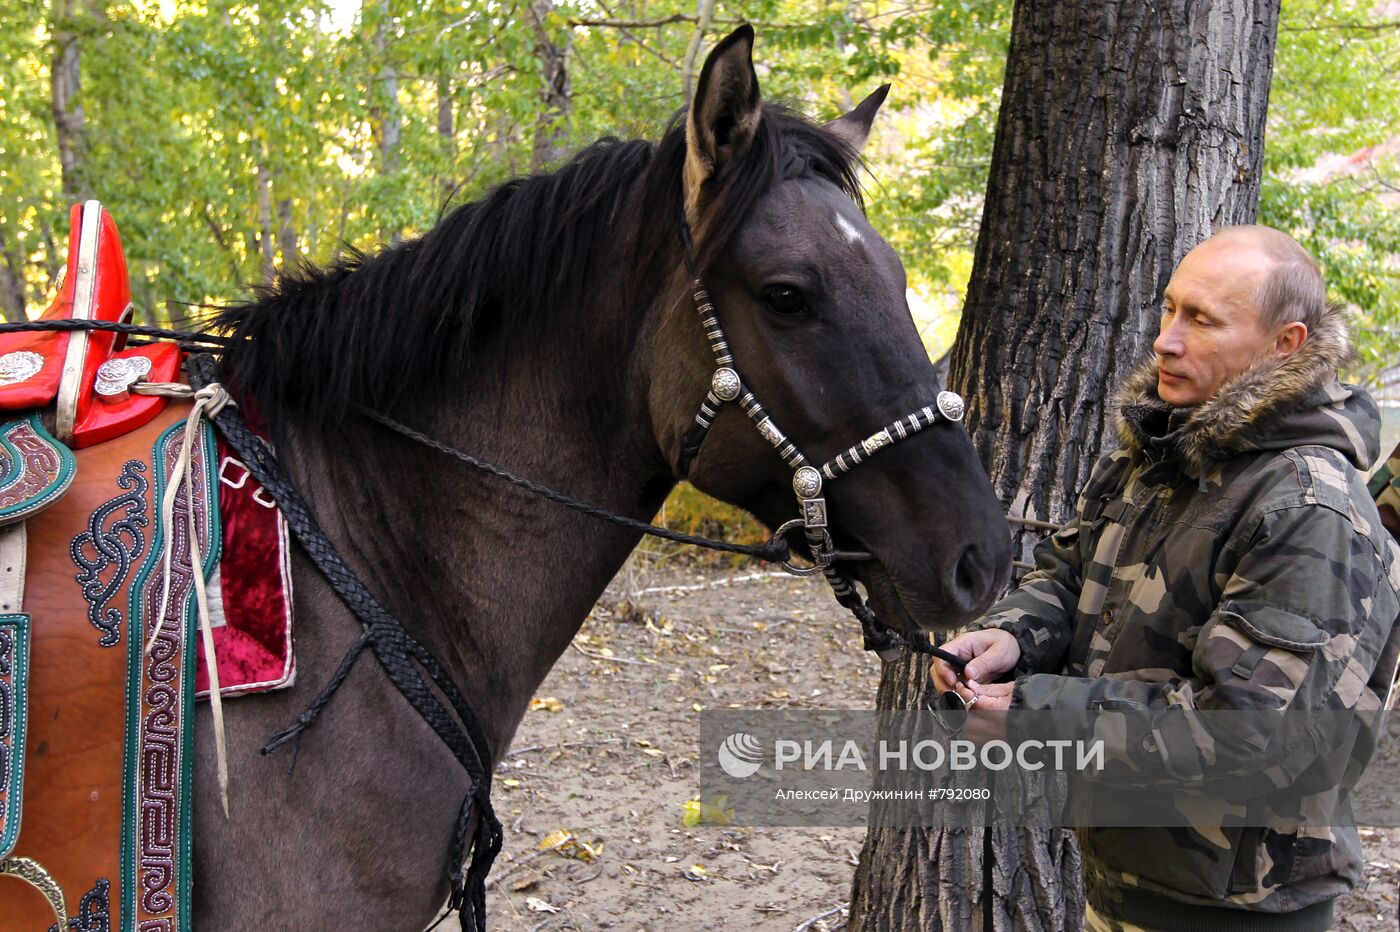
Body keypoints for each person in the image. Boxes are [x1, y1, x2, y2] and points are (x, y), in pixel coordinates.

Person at [931, 225, 1400, 931]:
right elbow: (1069, 574)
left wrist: (1032, 712)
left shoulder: (1309, 509)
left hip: (1235, 910)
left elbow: (1256, 741)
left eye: (1204, 320)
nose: (1166, 340)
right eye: (1171, 309)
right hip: (1129, 883)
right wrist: (1009, 638)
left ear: (1287, 345)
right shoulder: (1159, 454)